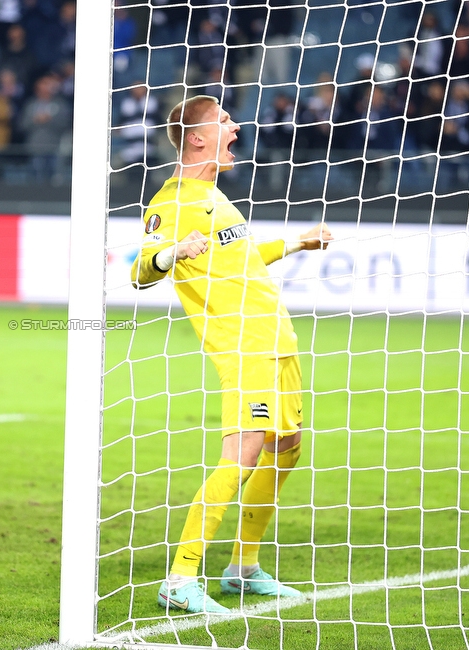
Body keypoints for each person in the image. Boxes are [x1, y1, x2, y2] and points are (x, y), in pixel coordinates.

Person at [130, 95, 333, 614]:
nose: (235, 127)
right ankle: (180, 577)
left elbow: (243, 262)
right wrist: (173, 252)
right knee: (243, 452)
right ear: (197, 138)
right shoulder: (172, 202)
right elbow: (140, 271)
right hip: (242, 345)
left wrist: (296, 244)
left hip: (277, 339)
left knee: (287, 447)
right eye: (224, 120)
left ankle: (243, 569)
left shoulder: (217, 197)